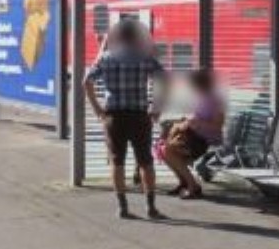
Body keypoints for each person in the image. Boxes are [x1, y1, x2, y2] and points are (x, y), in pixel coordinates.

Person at [83, 18, 166, 220]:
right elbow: (165, 80)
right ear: (135, 36)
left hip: (114, 118)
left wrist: (97, 109)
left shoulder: (106, 58)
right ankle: (151, 207)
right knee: (145, 162)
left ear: (118, 36)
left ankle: (122, 207)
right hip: (140, 117)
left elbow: (86, 81)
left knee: (117, 162)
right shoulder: (145, 57)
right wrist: (157, 108)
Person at [160, 68, 225, 200]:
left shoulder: (215, 101)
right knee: (161, 148)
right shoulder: (201, 98)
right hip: (195, 137)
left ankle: (193, 186)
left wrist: (196, 123)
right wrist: (185, 122)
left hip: (205, 141)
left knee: (168, 150)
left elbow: (217, 126)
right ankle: (184, 182)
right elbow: (195, 119)